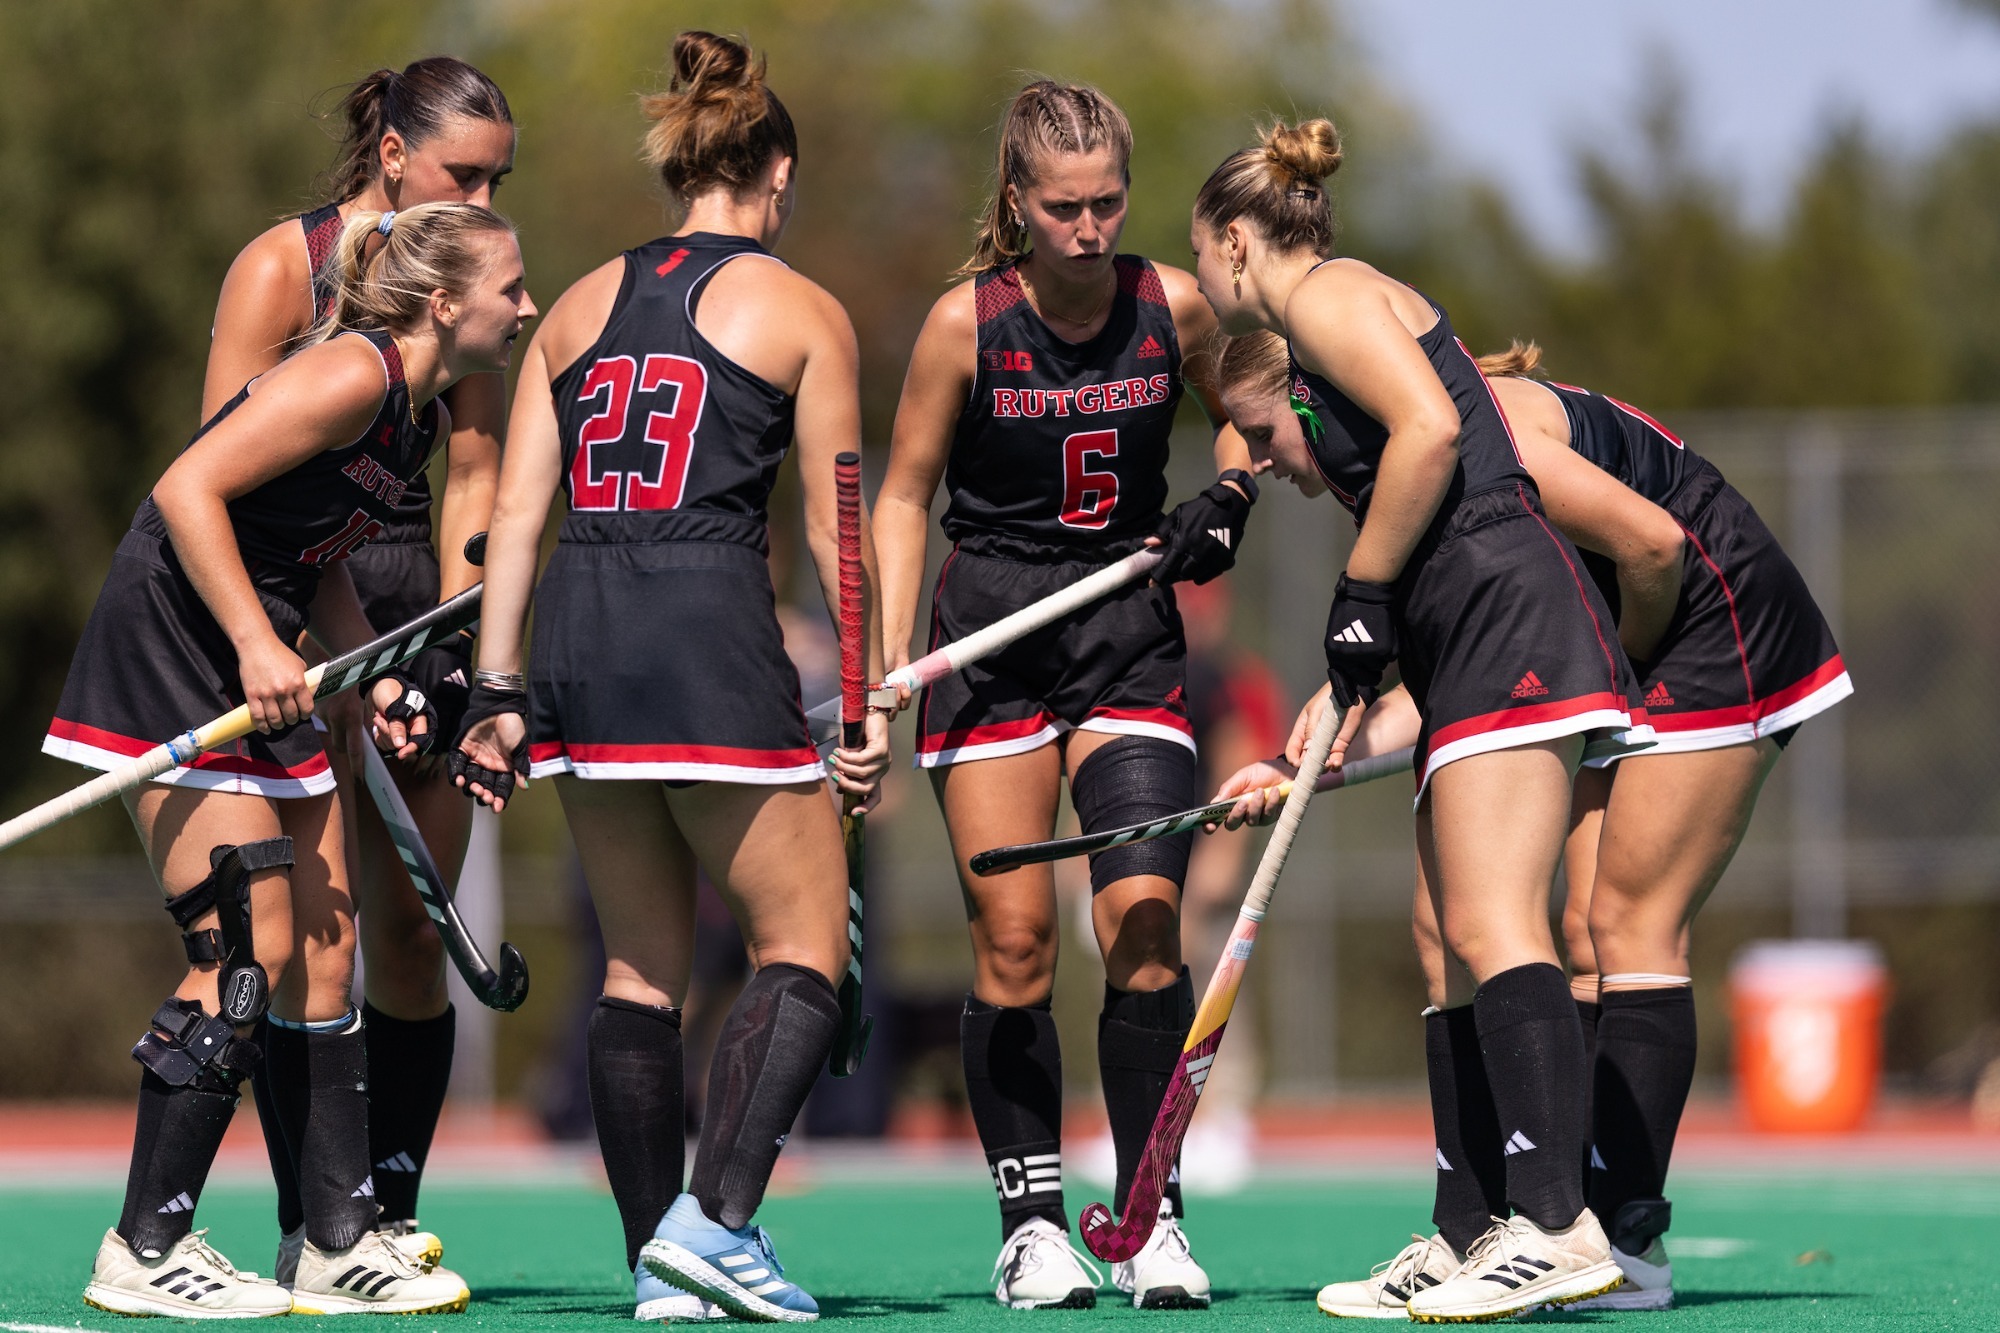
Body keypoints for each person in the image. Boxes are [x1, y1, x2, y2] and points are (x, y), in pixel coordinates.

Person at [1215, 330, 1850, 1313]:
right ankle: (1483, 1231)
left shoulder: (1476, 437)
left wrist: (1610, 686)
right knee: (1533, 925)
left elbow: (1651, 545)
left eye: (1259, 432)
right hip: (1624, 636)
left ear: (1311, 394)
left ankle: (1622, 1244)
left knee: (1627, 919)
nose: (1257, 460)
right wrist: (1299, 762)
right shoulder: (1400, 465)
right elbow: (1468, 673)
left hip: (1707, 618)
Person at [448, 32, 890, 1325]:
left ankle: (663, 1264)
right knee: (803, 943)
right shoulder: (804, 310)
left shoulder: (575, 305)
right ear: (778, 170)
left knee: (641, 969)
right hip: (706, 625)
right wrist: (859, 706)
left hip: (581, 635)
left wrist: (498, 688)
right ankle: (722, 1222)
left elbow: (515, 521)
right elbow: (837, 532)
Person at [1187, 119, 1648, 1320]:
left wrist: (1360, 593)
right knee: (1443, 931)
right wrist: (1332, 700)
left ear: (1236, 241)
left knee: (1496, 919)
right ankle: (1469, 1228)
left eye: (1205, 257)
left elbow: (1435, 433)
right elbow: (1398, 467)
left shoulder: (1325, 295)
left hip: (1502, 612)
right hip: (1460, 624)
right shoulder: (1320, 322)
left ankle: (1554, 1223)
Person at [45, 201, 530, 1317]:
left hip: (260, 653)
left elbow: (312, 554)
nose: (526, 306)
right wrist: (260, 641)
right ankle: (146, 1247)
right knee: (240, 948)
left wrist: (376, 671)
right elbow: (187, 488)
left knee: (325, 945)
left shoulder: (409, 420)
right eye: (512, 286)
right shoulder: (350, 374)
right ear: (445, 302)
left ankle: (332, 1239)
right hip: (176, 647)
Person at [873, 77, 1257, 1313]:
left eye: (1107, 203)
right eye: (1063, 208)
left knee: (1145, 923)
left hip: (1128, 642)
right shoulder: (963, 326)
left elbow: (1248, 412)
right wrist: (878, 662)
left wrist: (1231, 497)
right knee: (1017, 941)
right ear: (1016, 203)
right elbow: (899, 495)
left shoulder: (1172, 305)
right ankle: (1031, 1223)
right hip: (990, 641)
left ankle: (1149, 1219)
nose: (1090, 228)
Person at [202, 56, 516, 1280]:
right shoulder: (286, 265)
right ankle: (313, 1216)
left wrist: (452, 652)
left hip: (403, 612)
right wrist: (299, 649)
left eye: (501, 176)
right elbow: (226, 462)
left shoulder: (473, 278)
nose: (485, 197)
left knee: (412, 923)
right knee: (309, 924)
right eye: (462, 173)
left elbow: (478, 475)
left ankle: (384, 1203)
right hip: (293, 613)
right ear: (391, 152)